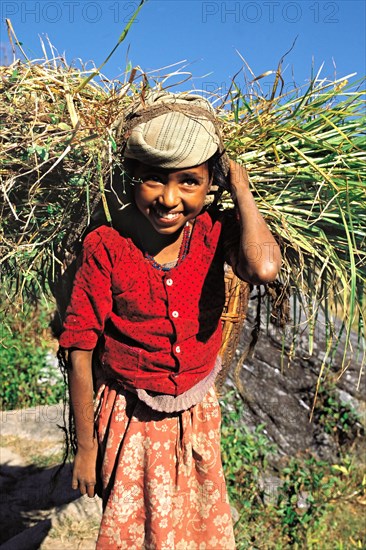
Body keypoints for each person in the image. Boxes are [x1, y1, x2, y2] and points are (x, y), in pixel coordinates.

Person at [59, 92, 281, 549]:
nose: (169, 199)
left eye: (189, 182)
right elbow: (79, 351)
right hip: (131, 418)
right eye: (154, 180)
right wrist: (85, 448)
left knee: (195, 529)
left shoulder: (216, 232)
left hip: (197, 413)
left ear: (209, 185)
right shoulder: (107, 246)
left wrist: (240, 188)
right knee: (139, 536)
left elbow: (263, 268)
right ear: (132, 178)